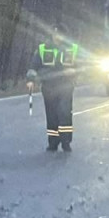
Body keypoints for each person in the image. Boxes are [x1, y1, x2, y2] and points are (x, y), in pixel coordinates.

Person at [26, 23, 79, 152]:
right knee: (51, 115)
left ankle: (66, 142)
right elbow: (34, 65)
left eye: (59, 34)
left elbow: (82, 66)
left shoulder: (72, 49)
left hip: (66, 86)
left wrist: (74, 73)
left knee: (64, 113)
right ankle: (53, 142)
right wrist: (30, 80)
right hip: (49, 86)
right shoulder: (43, 48)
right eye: (55, 33)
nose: (57, 36)